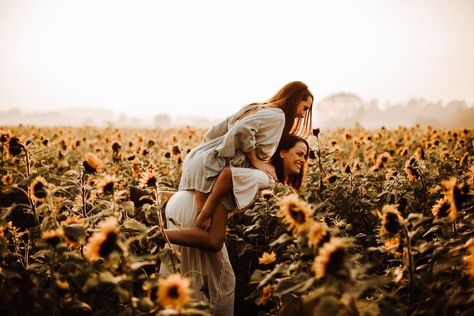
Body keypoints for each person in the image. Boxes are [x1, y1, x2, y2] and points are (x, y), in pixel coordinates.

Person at [159, 135, 310, 316]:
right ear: (283, 152)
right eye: (299, 153)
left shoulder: (265, 175)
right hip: (193, 210)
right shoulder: (265, 177)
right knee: (221, 283)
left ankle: (158, 233)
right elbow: (228, 175)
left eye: (305, 156)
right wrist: (206, 213)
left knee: (190, 277)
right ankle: (156, 234)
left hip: (181, 202)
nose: (303, 160)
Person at [180, 81, 313, 231]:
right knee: (205, 229)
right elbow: (243, 129)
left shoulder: (257, 107)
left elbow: (215, 131)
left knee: (201, 228)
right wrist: (255, 160)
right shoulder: (278, 115)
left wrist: (211, 148)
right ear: (295, 100)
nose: (303, 115)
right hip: (211, 168)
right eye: (305, 108)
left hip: (201, 160)